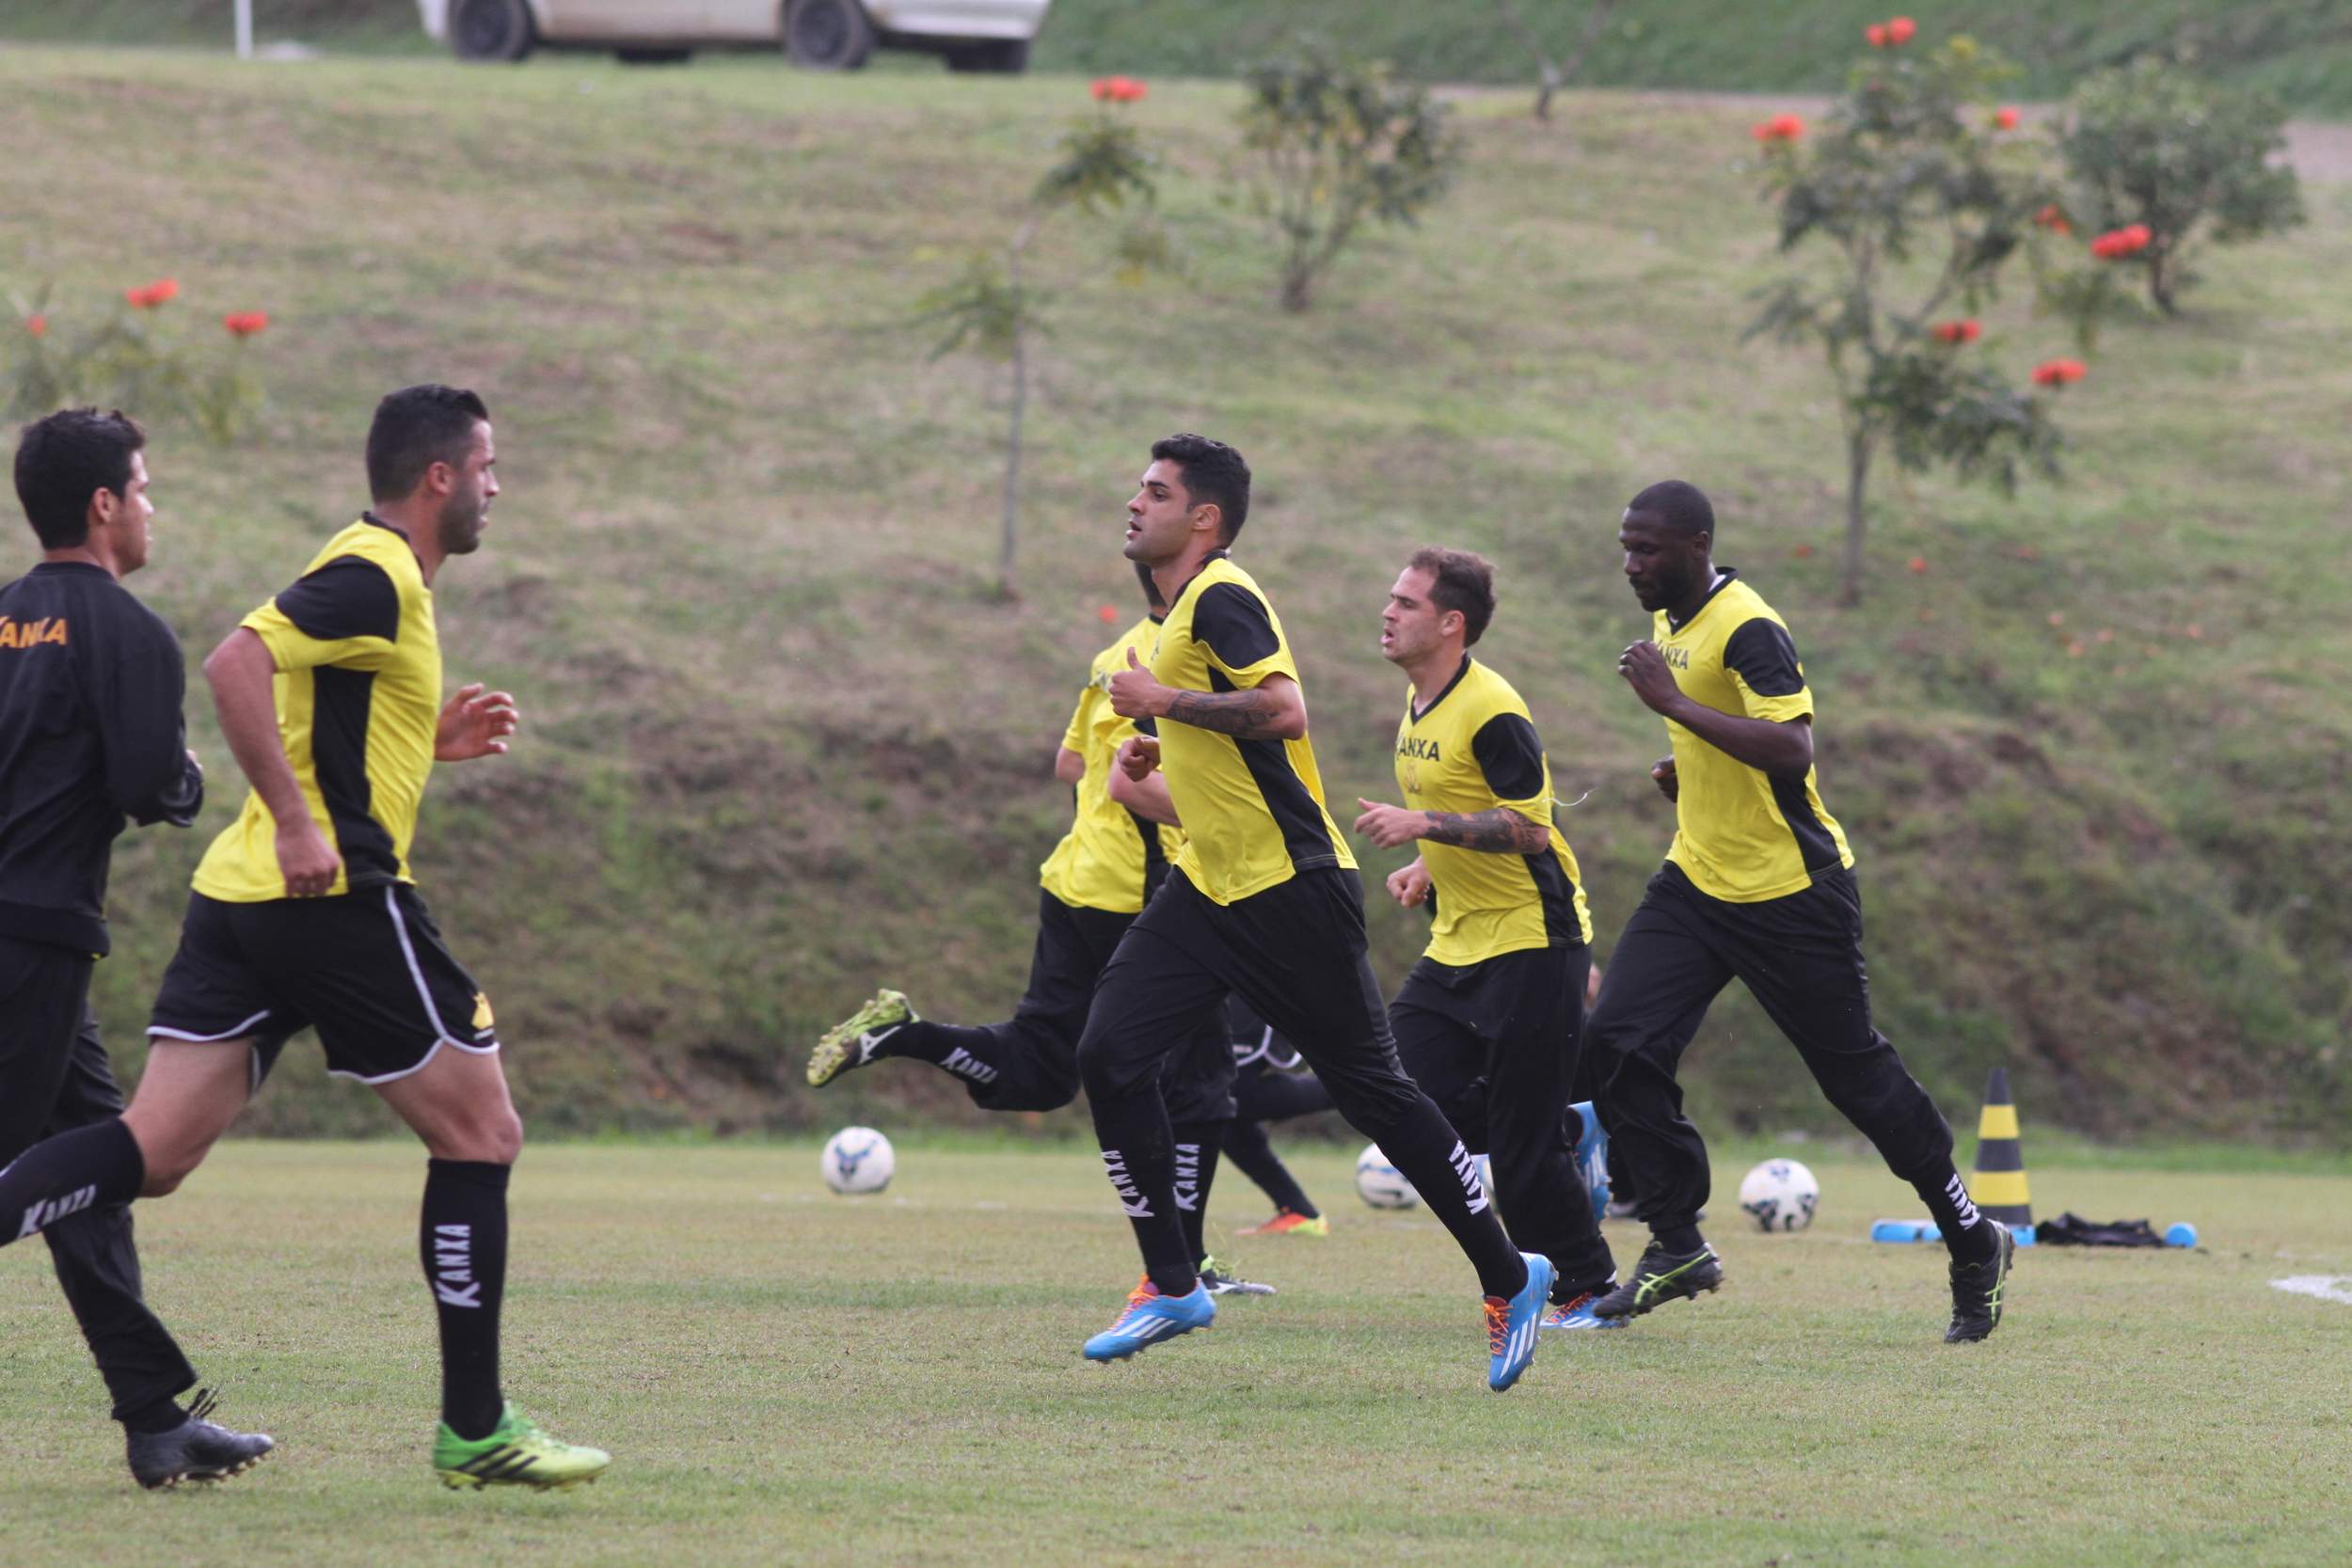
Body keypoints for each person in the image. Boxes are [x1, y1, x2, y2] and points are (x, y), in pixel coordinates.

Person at [0, 385, 612, 1487]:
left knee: (154, 1151)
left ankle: (174, 1410)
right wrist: (293, 821)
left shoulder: (382, 580)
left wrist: (426, 742)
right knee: (482, 1132)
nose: (494, 487)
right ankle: (476, 1428)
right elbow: (240, 662)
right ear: (439, 478)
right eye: (485, 468)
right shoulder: (374, 570)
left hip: (239, 900)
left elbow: (326, 728)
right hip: (330, 894)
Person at [1078, 434, 1554, 1390]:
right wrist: (1152, 770)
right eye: (1137, 487)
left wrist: (1161, 697)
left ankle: (1512, 1274)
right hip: (1210, 886)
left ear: (1202, 517)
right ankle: (1173, 1280)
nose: (1134, 502)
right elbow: (1231, 785)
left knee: (1376, 1089)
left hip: (1290, 888)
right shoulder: (1173, 616)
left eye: (1156, 491)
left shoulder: (1223, 593)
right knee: (1106, 1052)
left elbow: (1286, 712)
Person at [1581, 480, 2012, 1340]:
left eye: (1648, 549)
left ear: (1697, 543)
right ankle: (1675, 1238)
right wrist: (1688, 768)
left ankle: (1971, 1234)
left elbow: (1792, 744)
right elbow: (1729, 734)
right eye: (1626, 549)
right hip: (1698, 880)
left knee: (1855, 1076)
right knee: (1612, 1043)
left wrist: (1672, 707)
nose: (1633, 565)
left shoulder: (1748, 625)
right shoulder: (1675, 619)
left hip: (1792, 893)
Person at [807, 565, 1262, 1295]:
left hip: (1074, 881)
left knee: (1044, 1069)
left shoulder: (1111, 656)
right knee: (1199, 1078)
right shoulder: (1177, 662)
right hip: (1149, 896)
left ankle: (906, 1033)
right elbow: (1129, 782)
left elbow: (1069, 763)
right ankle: (1190, 1262)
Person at [0, 408, 273, 1487]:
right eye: (145, 488)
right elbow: (149, 785)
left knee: (95, 1169)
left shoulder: (4, 615)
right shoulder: (130, 630)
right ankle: (156, 1414)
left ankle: (157, 1417)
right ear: (104, 505)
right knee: (23, 1173)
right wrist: (190, 776)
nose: (152, 508)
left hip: (29, 939)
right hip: (35, 938)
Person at [1352, 546, 1620, 1331]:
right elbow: (1469, 803)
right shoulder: (1419, 704)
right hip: (1461, 940)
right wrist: (1429, 869)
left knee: (1520, 1143)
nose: (1389, 611)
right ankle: (1569, 1125)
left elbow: (1532, 829)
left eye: (1405, 602)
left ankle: (1588, 1286)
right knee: (1389, 1089)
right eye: (1392, 597)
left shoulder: (1493, 706)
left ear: (1450, 622)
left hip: (1536, 939)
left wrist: (1422, 827)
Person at [1219, 999, 1333, 1237]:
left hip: (1247, 987)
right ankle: (1298, 1210)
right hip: (1217, 989)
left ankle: (1363, 1088)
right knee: (1223, 1112)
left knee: (1228, 1095)